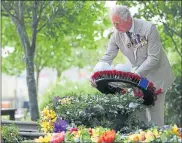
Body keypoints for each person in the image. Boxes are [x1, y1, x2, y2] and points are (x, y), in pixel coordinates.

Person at [89, 5, 175, 126]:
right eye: (113, 23)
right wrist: (94, 74)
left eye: (117, 23)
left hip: (156, 77)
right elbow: (107, 57)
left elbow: (153, 58)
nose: (115, 27)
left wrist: (135, 75)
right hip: (138, 80)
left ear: (128, 19)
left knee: (156, 118)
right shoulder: (116, 36)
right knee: (138, 117)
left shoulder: (149, 28)